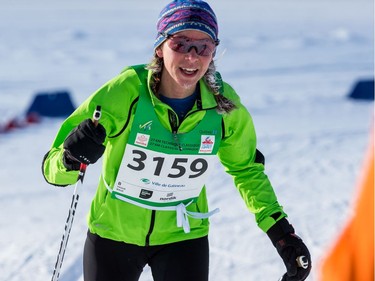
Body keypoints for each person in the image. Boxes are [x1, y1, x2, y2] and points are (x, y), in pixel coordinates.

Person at [42, 1, 312, 280]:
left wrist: (281, 233)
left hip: (183, 238)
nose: (192, 57)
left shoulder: (224, 107)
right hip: (113, 234)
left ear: (214, 52)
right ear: (160, 47)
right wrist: (70, 159)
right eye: (181, 44)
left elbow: (246, 170)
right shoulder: (125, 92)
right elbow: (52, 169)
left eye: (203, 47)